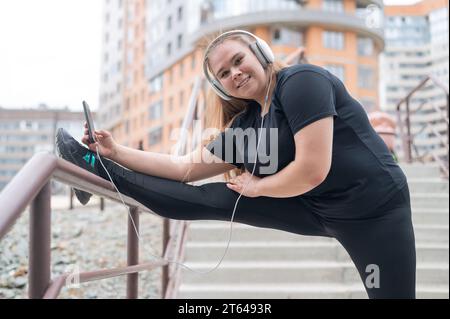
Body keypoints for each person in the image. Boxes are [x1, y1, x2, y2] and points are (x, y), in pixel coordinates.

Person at [56, 30, 416, 299]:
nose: (235, 73)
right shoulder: (245, 125)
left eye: (238, 61)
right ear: (222, 86)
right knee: (210, 198)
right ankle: (96, 167)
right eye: (224, 73)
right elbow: (184, 168)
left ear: (260, 53)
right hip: (316, 207)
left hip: (375, 211)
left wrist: (258, 187)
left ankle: (95, 166)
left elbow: (312, 169)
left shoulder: (304, 82)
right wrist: (115, 151)